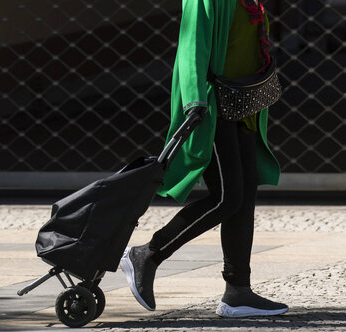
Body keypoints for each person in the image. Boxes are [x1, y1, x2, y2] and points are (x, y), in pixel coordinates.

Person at [120, 0, 288, 318]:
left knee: (244, 195)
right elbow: (191, 44)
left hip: (241, 100)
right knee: (227, 197)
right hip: (211, 103)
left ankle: (238, 292)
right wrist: (195, 99)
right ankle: (147, 254)